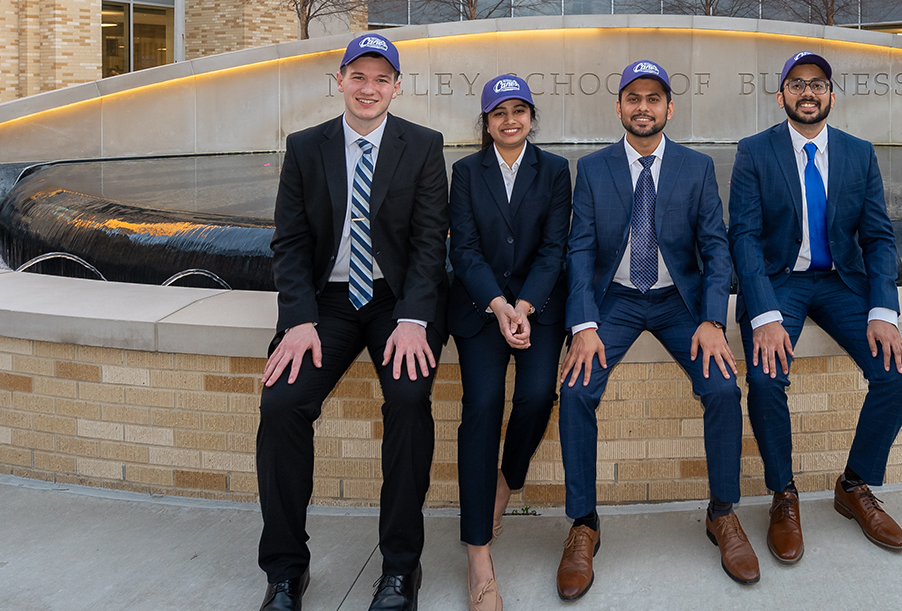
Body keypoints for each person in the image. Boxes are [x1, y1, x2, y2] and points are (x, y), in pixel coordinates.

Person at [256, 33, 448, 611]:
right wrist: (298, 318)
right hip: (328, 303)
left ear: (396, 86)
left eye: (381, 79)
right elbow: (288, 243)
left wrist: (416, 316)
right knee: (282, 405)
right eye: (358, 77)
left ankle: (400, 569)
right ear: (340, 80)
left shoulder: (422, 146)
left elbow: (428, 244)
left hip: (396, 302)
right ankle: (286, 571)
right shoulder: (306, 147)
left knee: (410, 401)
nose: (369, 89)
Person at [554, 59, 758, 600]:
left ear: (669, 107)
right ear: (619, 106)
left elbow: (716, 247)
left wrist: (712, 319)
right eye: (633, 98)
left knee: (721, 388)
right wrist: (583, 322)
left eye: (653, 98)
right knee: (574, 392)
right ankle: (583, 524)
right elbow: (578, 251)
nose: (642, 107)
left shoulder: (696, 167)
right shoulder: (593, 169)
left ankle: (722, 513)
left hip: (677, 302)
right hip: (614, 301)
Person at [728, 51, 902, 565]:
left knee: (897, 374)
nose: (806, 92)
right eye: (796, 84)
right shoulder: (754, 152)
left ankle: (853, 486)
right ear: (781, 95)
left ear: (831, 95)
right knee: (766, 379)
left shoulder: (858, 153)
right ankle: (783, 495)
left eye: (816, 84)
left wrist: (884, 309)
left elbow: (878, 236)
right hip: (779, 282)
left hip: (840, 281)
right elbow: (742, 236)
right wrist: (763, 314)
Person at [446, 74, 573, 611]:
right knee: (482, 405)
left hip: (536, 308)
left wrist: (523, 307)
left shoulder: (555, 171)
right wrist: (498, 306)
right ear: (486, 122)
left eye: (519, 110)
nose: (510, 120)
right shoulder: (465, 172)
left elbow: (553, 249)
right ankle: (479, 555)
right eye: (499, 113)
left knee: (539, 394)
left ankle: (507, 478)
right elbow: (465, 249)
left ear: (530, 117)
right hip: (481, 308)